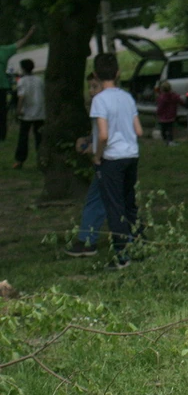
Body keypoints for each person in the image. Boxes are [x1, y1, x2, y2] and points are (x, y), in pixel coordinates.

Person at [89, 52, 143, 269]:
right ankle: (140, 244)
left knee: (114, 206)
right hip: (132, 155)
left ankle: (122, 255)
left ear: (95, 74)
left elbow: (103, 135)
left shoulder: (99, 100)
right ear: (118, 73)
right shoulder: (127, 97)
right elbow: (138, 130)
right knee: (130, 203)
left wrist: (97, 155)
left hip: (112, 158)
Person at [65, 73, 106, 257]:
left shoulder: (103, 106)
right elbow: (99, 133)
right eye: (89, 87)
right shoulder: (99, 105)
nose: (91, 91)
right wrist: (88, 140)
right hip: (109, 159)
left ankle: (87, 241)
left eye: (95, 86)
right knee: (110, 199)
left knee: (96, 200)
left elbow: (107, 135)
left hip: (107, 160)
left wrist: (95, 151)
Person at [0, 24, 34, 142]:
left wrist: (30, 33)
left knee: (2, 111)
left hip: (1, 86)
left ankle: (2, 134)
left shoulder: (4, 50)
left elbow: (20, 43)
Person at [13, 58, 43, 169]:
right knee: (39, 138)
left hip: (27, 114)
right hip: (40, 113)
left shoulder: (22, 81)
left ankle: (20, 160)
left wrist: (18, 110)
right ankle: (42, 160)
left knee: (23, 138)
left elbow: (21, 97)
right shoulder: (39, 80)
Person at [155, 81, 183, 146]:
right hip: (172, 116)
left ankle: (165, 140)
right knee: (170, 129)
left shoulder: (161, 98)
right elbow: (180, 101)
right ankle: (170, 140)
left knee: (163, 130)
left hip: (163, 118)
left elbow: (160, 107)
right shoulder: (174, 96)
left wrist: (158, 113)